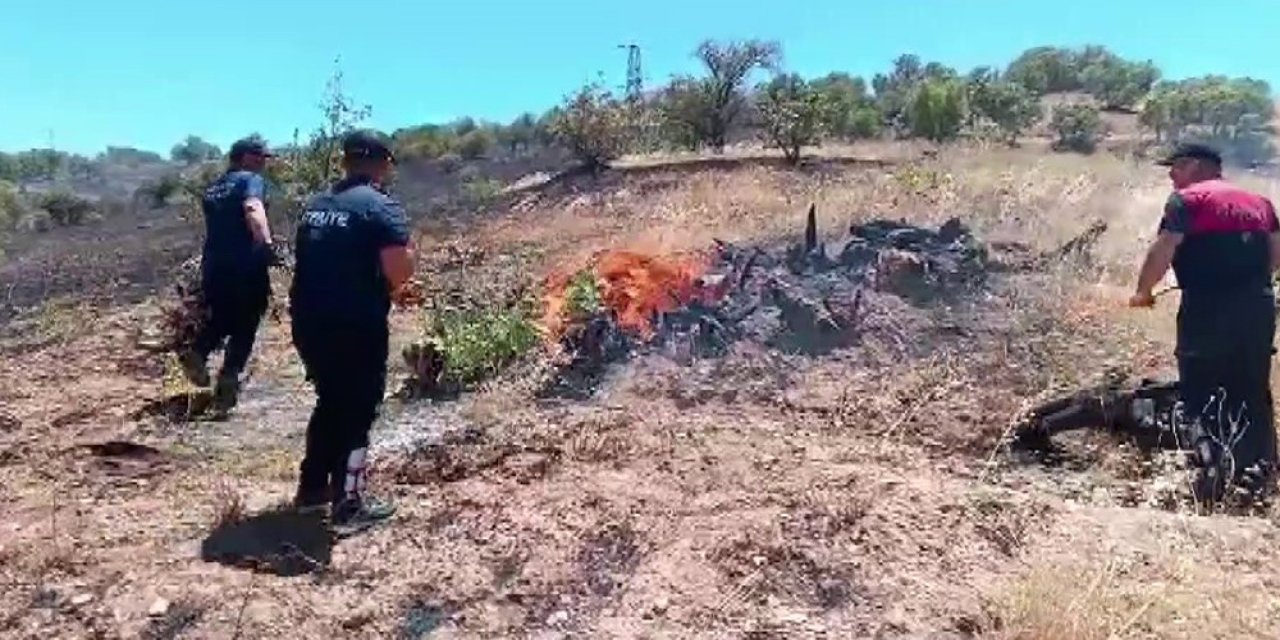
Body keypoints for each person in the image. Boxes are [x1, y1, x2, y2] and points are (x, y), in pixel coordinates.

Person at [1129, 142, 1280, 495]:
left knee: (1201, 391)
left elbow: (1164, 247)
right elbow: (1276, 256)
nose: (1171, 174)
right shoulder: (1261, 204)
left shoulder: (1188, 201)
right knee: (1253, 392)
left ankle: (1212, 478)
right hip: (1257, 310)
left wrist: (1143, 291)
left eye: (1176, 166)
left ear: (1197, 166)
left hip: (1207, 310)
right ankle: (1262, 474)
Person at [288, 129, 416, 535]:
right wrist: (403, 281)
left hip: (308, 322)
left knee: (330, 400)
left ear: (345, 162)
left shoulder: (316, 206)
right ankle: (349, 503)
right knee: (359, 408)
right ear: (382, 163)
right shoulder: (381, 207)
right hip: (355, 324)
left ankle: (311, 491)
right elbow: (399, 269)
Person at [182, 137, 280, 415]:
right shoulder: (249, 180)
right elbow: (252, 209)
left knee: (222, 316)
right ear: (245, 157)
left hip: (213, 265)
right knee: (247, 321)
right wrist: (266, 244)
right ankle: (228, 379)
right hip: (245, 264)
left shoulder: (214, 188)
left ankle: (199, 351)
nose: (263, 161)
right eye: (260, 156)